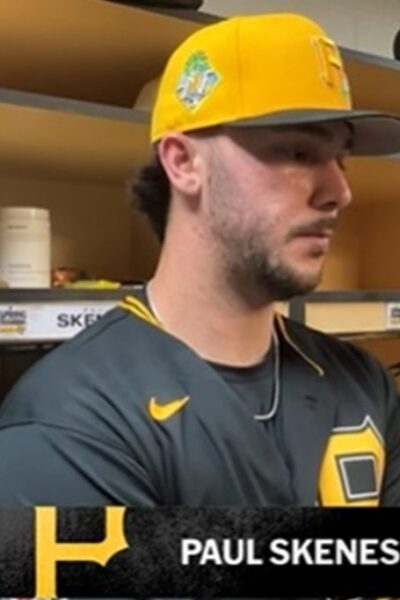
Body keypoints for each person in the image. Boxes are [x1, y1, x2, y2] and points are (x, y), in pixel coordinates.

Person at [0, 12, 400, 506]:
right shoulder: (70, 420)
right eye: (299, 153)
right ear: (183, 162)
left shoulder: (364, 383)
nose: (340, 191)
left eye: (342, 159)